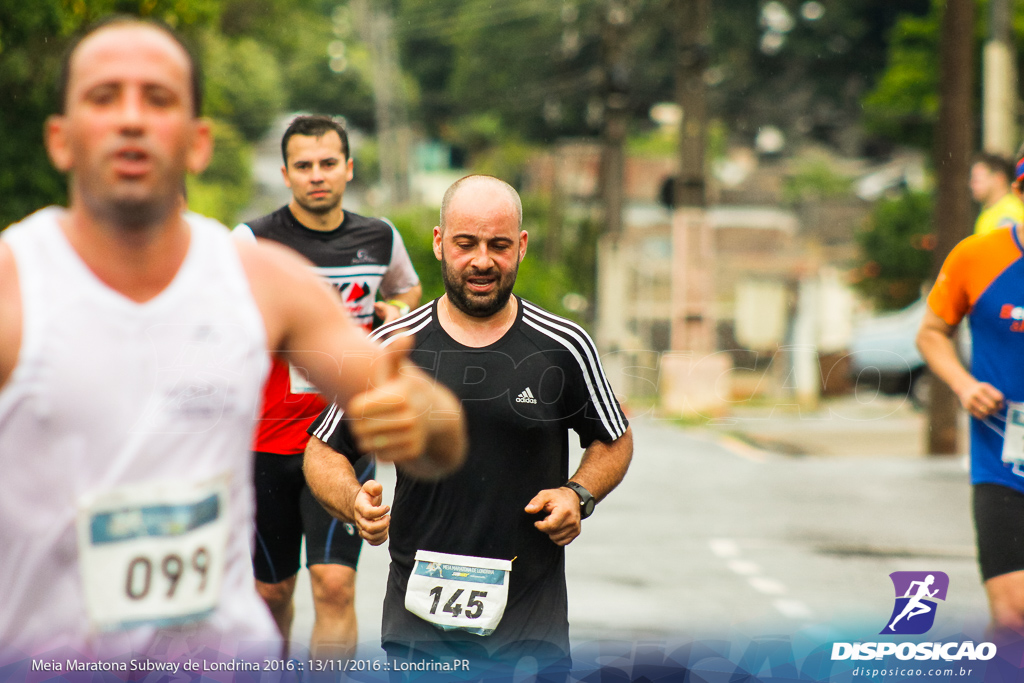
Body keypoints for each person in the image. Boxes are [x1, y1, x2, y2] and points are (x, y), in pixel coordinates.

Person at [0, 17, 465, 660]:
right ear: (60, 139)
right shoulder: (12, 288)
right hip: (55, 663)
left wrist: (421, 419)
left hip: (218, 664)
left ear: (197, 143)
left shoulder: (268, 282)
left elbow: (441, 434)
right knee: (275, 592)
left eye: (158, 99)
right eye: (104, 97)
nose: (132, 119)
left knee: (329, 588)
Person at [304, 175, 634, 680]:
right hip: (420, 629)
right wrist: (353, 502)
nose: (483, 261)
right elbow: (322, 451)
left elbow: (613, 439)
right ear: (439, 242)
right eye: (466, 244)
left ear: (521, 247)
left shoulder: (562, 346)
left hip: (530, 628)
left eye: (499, 245)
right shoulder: (394, 347)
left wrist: (578, 495)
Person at [232, 114, 422, 658]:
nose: (318, 175)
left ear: (348, 169)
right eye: (305, 166)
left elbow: (407, 295)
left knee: (335, 586)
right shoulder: (250, 241)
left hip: (343, 440)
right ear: (286, 173)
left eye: (328, 164)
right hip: (264, 444)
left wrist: (393, 313)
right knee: (270, 593)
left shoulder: (380, 237)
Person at [917, 155, 1024, 636]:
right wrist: (964, 385)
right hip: (1004, 462)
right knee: (1013, 613)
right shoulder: (977, 256)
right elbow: (932, 332)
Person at [970, 152, 1024, 236]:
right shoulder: (990, 212)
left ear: (999, 178)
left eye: (977, 180)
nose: (972, 185)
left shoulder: (1009, 212)